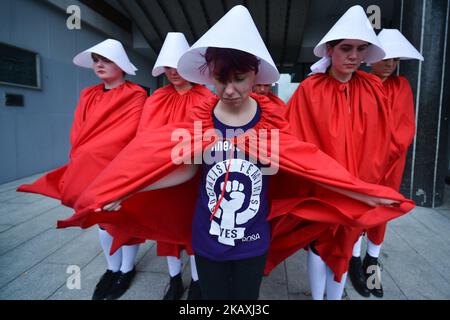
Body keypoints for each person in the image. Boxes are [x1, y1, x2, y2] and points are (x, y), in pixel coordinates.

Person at [59, 5, 414, 301]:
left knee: (246, 302)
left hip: (253, 239)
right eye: (220, 79)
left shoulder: (271, 118)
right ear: (209, 74)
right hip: (207, 236)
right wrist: (131, 189)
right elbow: (184, 168)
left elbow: (303, 164)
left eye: (240, 79)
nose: (229, 90)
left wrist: (362, 193)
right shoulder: (201, 117)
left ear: (255, 75)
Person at [17, 39, 147, 300]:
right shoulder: (88, 94)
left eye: (106, 60)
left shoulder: (136, 94)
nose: (99, 64)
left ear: (120, 64)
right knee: (99, 218)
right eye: (96, 60)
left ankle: (127, 269)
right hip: (90, 166)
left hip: (120, 167)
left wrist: (100, 152)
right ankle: (112, 269)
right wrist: (81, 155)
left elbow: (130, 132)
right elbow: (79, 130)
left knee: (124, 218)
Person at [285, 5, 392, 300]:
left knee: (347, 243)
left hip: (358, 185)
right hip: (322, 188)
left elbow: (381, 139)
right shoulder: (310, 89)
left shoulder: (372, 88)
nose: (354, 56)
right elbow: (296, 138)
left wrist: (366, 183)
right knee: (320, 244)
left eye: (361, 49)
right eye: (346, 48)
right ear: (330, 50)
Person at [348, 28, 424, 298]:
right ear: (372, 57)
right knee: (359, 209)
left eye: (395, 60)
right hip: (363, 159)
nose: (390, 64)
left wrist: (385, 153)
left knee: (383, 211)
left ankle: (372, 263)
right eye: (386, 58)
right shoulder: (359, 83)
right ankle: (353, 260)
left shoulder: (400, 85)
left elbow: (404, 128)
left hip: (391, 161)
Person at [145, 32, 214, 300]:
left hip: (195, 176)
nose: (173, 72)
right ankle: (174, 279)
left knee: (195, 229)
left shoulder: (206, 97)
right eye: (168, 66)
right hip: (164, 175)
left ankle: (197, 282)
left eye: (178, 65)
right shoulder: (156, 99)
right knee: (167, 229)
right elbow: (146, 137)